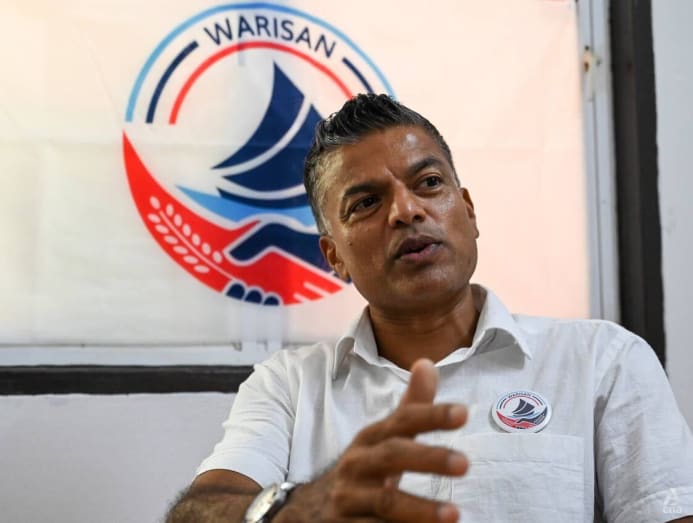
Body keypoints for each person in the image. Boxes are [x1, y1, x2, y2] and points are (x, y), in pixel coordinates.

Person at [166, 94, 693, 523]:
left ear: (468, 211)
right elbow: (198, 512)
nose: (406, 210)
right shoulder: (289, 386)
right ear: (334, 257)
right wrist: (293, 510)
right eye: (366, 203)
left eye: (429, 184)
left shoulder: (601, 360)